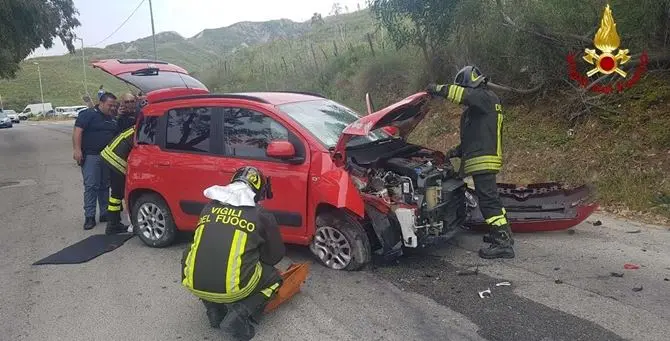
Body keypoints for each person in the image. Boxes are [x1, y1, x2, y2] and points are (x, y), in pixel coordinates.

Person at [181, 166, 285, 341]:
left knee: (189, 254)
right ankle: (239, 314)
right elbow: (274, 256)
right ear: (258, 192)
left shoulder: (208, 207)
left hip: (193, 283)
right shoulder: (261, 214)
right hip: (235, 290)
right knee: (275, 279)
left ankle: (214, 309)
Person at [426, 66, 515, 259]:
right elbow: (475, 137)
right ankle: (501, 234)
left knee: (489, 202)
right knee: (491, 200)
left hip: (484, 159)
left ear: (470, 84)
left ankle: (503, 244)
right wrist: (457, 151)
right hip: (483, 157)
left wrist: (435, 88)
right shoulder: (480, 106)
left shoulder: (484, 97)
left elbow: (461, 94)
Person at [72, 92, 119, 230]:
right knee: (91, 186)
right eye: (110, 105)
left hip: (106, 156)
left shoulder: (112, 118)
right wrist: (77, 150)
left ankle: (104, 213)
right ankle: (90, 216)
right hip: (91, 155)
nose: (112, 108)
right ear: (102, 103)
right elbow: (78, 131)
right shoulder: (88, 114)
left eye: (114, 106)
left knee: (104, 185)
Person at [99, 93, 138, 235]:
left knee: (116, 193)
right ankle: (113, 225)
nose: (130, 104)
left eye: (132, 101)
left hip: (115, 153)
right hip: (116, 156)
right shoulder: (120, 118)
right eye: (127, 102)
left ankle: (113, 223)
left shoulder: (140, 113)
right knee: (117, 193)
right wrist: (119, 116)